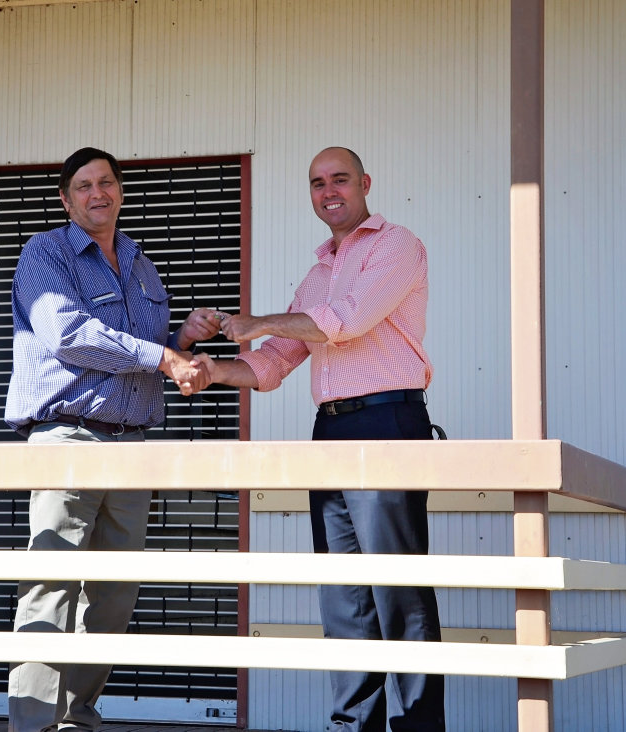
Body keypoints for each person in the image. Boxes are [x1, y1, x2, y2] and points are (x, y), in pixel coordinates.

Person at [209, 147, 445, 732]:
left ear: (365, 182)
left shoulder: (397, 246)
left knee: (399, 591)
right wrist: (210, 371)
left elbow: (349, 318)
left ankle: (417, 727)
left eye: (340, 179)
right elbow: (272, 364)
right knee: (343, 595)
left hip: (387, 422)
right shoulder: (316, 272)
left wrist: (260, 319)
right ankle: (351, 727)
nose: (329, 190)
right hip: (331, 429)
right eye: (317, 183)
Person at [3, 146, 219, 732]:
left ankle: (78, 717)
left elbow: (145, 351)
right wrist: (166, 354)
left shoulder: (139, 262)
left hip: (130, 445)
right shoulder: (43, 254)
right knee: (51, 582)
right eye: (83, 186)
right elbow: (71, 335)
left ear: (120, 190)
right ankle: (31, 724)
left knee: (115, 593)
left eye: (106, 182)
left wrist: (183, 336)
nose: (97, 193)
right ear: (66, 199)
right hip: (67, 436)